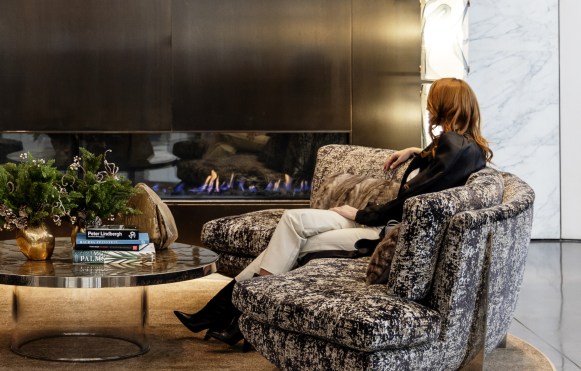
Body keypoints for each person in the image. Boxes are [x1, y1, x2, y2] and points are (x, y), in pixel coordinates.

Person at [174, 77, 493, 349]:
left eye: (431, 101)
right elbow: (437, 175)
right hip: (375, 220)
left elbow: (415, 199)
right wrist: (415, 152)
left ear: (444, 105)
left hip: (380, 228)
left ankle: (236, 316)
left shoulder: (452, 145)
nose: (426, 107)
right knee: (291, 225)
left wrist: (363, 213)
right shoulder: (462, 148)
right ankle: (229, 316)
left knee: (293, 239)